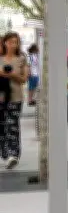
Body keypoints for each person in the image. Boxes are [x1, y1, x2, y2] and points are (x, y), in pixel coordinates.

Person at [0, 32, 29, 169]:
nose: (13, 45)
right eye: (10, 42)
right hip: (1, 98)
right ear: (4, 42)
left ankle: (13, 155)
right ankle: (5, 154)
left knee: (12, 126)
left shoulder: (21, 59)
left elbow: (24, 79)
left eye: (15, 42)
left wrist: (12, 75)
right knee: (1, 127)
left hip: (15, 98)